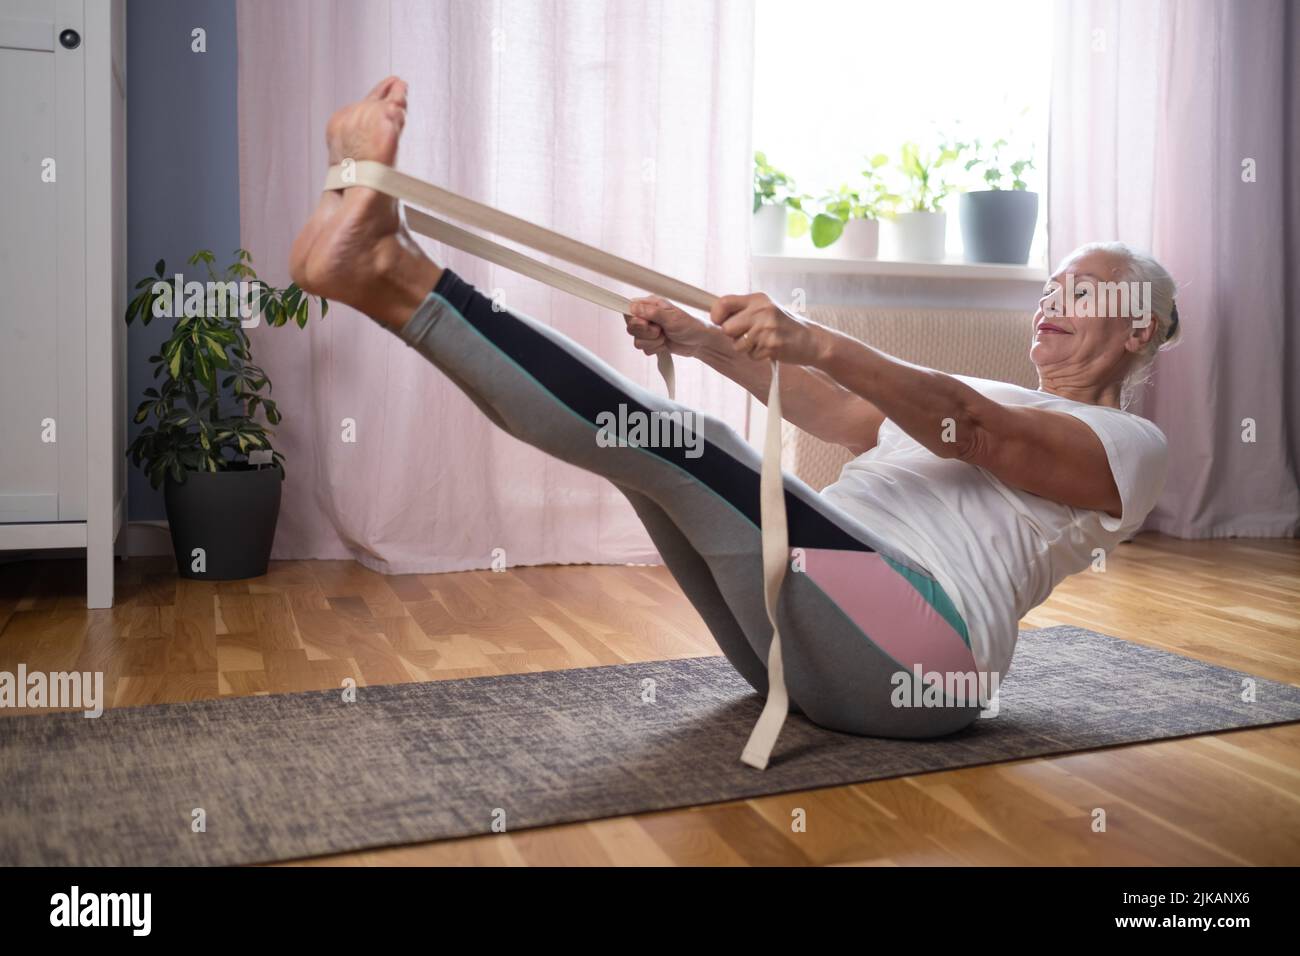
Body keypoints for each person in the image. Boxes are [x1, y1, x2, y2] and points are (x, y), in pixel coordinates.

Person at [290, 77, 1175, 741]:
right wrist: (702, 342)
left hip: (923, 662)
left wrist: (815, 336)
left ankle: (390, 277)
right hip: (798, 651)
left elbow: (969, 428)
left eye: (1082, 292)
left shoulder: (1130, 444)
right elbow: (836, 414)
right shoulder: (992, 397)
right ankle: (392, 262)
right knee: (643, 447)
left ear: (1138, 328)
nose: (1052, 300)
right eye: (1049, 285)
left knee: (681, 444)